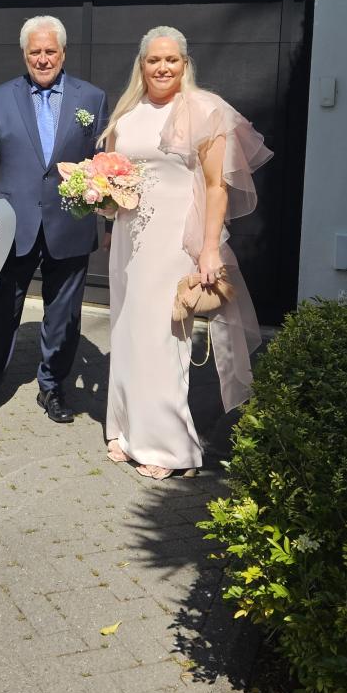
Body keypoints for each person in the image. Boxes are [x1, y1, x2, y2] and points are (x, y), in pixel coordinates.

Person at [99, 25, 272, 478]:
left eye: (171, 59)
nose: (163, 67)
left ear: (185, 63)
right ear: (142, 65)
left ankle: (170, 448)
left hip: (175, 240)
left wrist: (210, 248)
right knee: (127, 332)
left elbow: (217, 186)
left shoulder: (204, 110)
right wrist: (100, 202)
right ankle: (127, 430)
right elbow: (112, 173)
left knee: (162, 338)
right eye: (154, 60)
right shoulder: (127, 114)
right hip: (129, 240)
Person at [0, 15, 109, 427]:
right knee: (1, 311)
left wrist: (108, 208)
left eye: (50, 51)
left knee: (64, 314)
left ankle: (53, 387)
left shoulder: (92, 97)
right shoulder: (1, 96)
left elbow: (103, 159)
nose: (42, 59)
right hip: (17, 222)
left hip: (71, 220)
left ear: (63, 53)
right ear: (24, 54)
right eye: (35, 51)